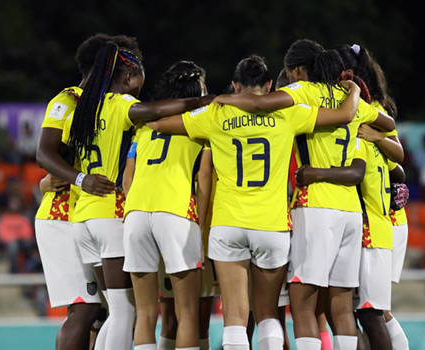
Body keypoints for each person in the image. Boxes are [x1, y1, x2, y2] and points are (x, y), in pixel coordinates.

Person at [148, 54, 362, 350]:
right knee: (267, 314)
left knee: (235, 316)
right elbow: (343, 116)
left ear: (235, 85)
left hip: (227, 223)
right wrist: (355, 91)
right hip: (271, 225)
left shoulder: (216, 114)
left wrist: (204, 102)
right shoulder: (289, 113)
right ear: (271, 84)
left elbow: (159, 125)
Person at [213, 40, 396, 350]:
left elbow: (261, 104)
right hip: (351, 212)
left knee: (302, 304)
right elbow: (388, 123)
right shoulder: (346, 96)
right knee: (340, 306)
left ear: (297, 70)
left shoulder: (302, 93)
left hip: (315, 206)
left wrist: (224, 100)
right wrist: (354, 94)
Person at [44, 37, 213, 350]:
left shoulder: (81, 109)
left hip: (83, 217)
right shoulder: (121, 105)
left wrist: (70, 179)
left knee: (115, 310)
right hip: (112, 212)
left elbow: (56, 153)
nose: (140, 86)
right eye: (139, 78)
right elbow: (155, 111)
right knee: (125, 311)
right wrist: (201, 102)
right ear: (126, 78)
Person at [122, 61, 213, 350]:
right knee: (187, 313)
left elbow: (128, 176)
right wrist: (200, 224)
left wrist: (131, 210)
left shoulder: (145, 125)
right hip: (175, 211)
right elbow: (204, 177)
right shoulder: (202, 122)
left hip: (135, 212)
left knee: (146, 313)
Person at [34, 33, 110, 350]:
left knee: (106, 309)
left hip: (92, 216)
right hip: (63, 214)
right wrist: (79, 179)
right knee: (86, 305)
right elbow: (45, 154)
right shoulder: (69, 100)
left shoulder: (113, 105)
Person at [334, 43, 410, 350]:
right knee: (367, 311)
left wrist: (377, 137)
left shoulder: (365, 110)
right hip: (381, 217)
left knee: (371, 312)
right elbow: (399, 168)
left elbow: (397, 156)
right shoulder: (374, 105)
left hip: (377, 221)